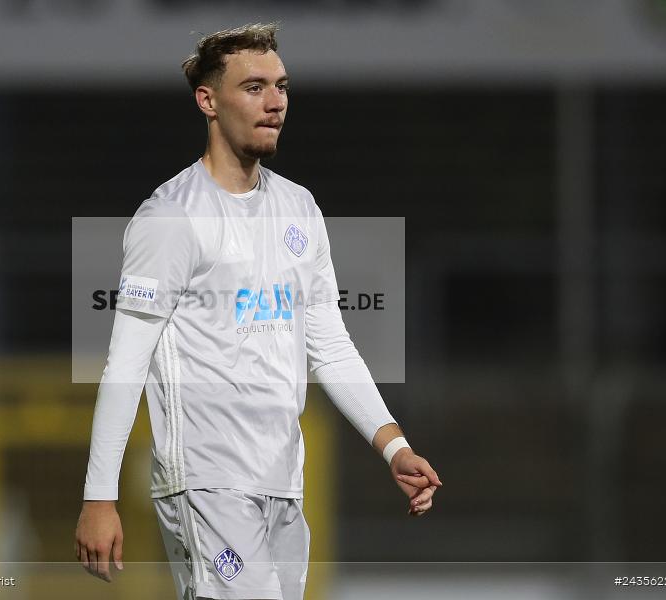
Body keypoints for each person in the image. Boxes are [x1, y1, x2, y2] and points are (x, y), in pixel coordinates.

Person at [74, 22, 442, 600]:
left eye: (282, 86)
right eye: (254, 88)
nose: (276, 103)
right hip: (205, 483)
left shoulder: (299, 208)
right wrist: (100, 495)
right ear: (208, 101)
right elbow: (125, 361)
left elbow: (329, 343)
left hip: (283, 481)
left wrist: (394, 446)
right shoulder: (171, 219)